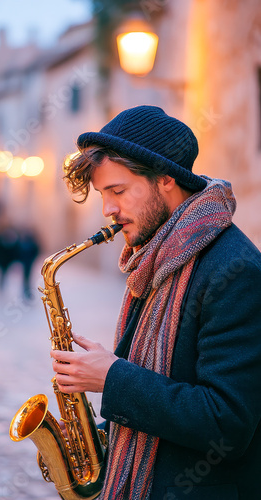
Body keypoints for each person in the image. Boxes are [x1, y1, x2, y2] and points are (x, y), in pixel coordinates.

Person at [50, 106, 261, 500]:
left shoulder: (236, 271)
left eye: (117, 191)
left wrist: (113, 378)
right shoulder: (156, 260)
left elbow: (227, 423)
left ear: (166, 179)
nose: (107, 210)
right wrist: (89, 439)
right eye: (102, 195)